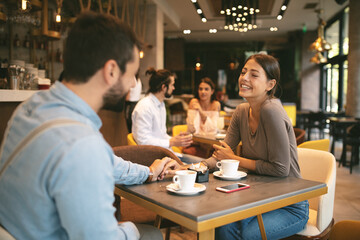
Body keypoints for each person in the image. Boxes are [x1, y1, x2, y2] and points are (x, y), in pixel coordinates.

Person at [0, 12, 176, 240]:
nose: (133, 83)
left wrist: (148, 172)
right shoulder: (81, 144)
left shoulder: (32, 107)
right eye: (132, 74)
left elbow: (104, 161)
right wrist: (131, 229)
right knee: (152, 235)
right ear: (111, 71)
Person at [163, 54, 309, 240]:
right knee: (221, 224)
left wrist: (234, 159)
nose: (244, 78)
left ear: (270, 85)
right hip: (257, 197)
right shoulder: (241, 111)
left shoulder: (271, 110)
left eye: (254, 75)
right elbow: (220, 155)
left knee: (245, 235)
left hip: (289, 204)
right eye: (243, 72)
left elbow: (280, 169)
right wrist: (188, 168)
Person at [132, 68, 204, 164]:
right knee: (201, 166)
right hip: (154, 160)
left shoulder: (160, 105)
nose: (173, 88)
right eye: (172, 85)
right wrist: (171, 142)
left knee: (203, 164)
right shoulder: (144, 107)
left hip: (166, 155)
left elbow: (161, 135)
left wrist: (175, 139)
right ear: (163, 87)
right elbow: (143, 141)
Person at [184, 77, 220, 158]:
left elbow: (213, 128)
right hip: (195, 144)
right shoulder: (194, 102)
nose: (203, 92)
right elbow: (192, 128)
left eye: (206, 89)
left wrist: (200, 111)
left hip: (210, 146)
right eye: (200, 89)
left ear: (212, 91)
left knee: (221, 155)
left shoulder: (216, 104)